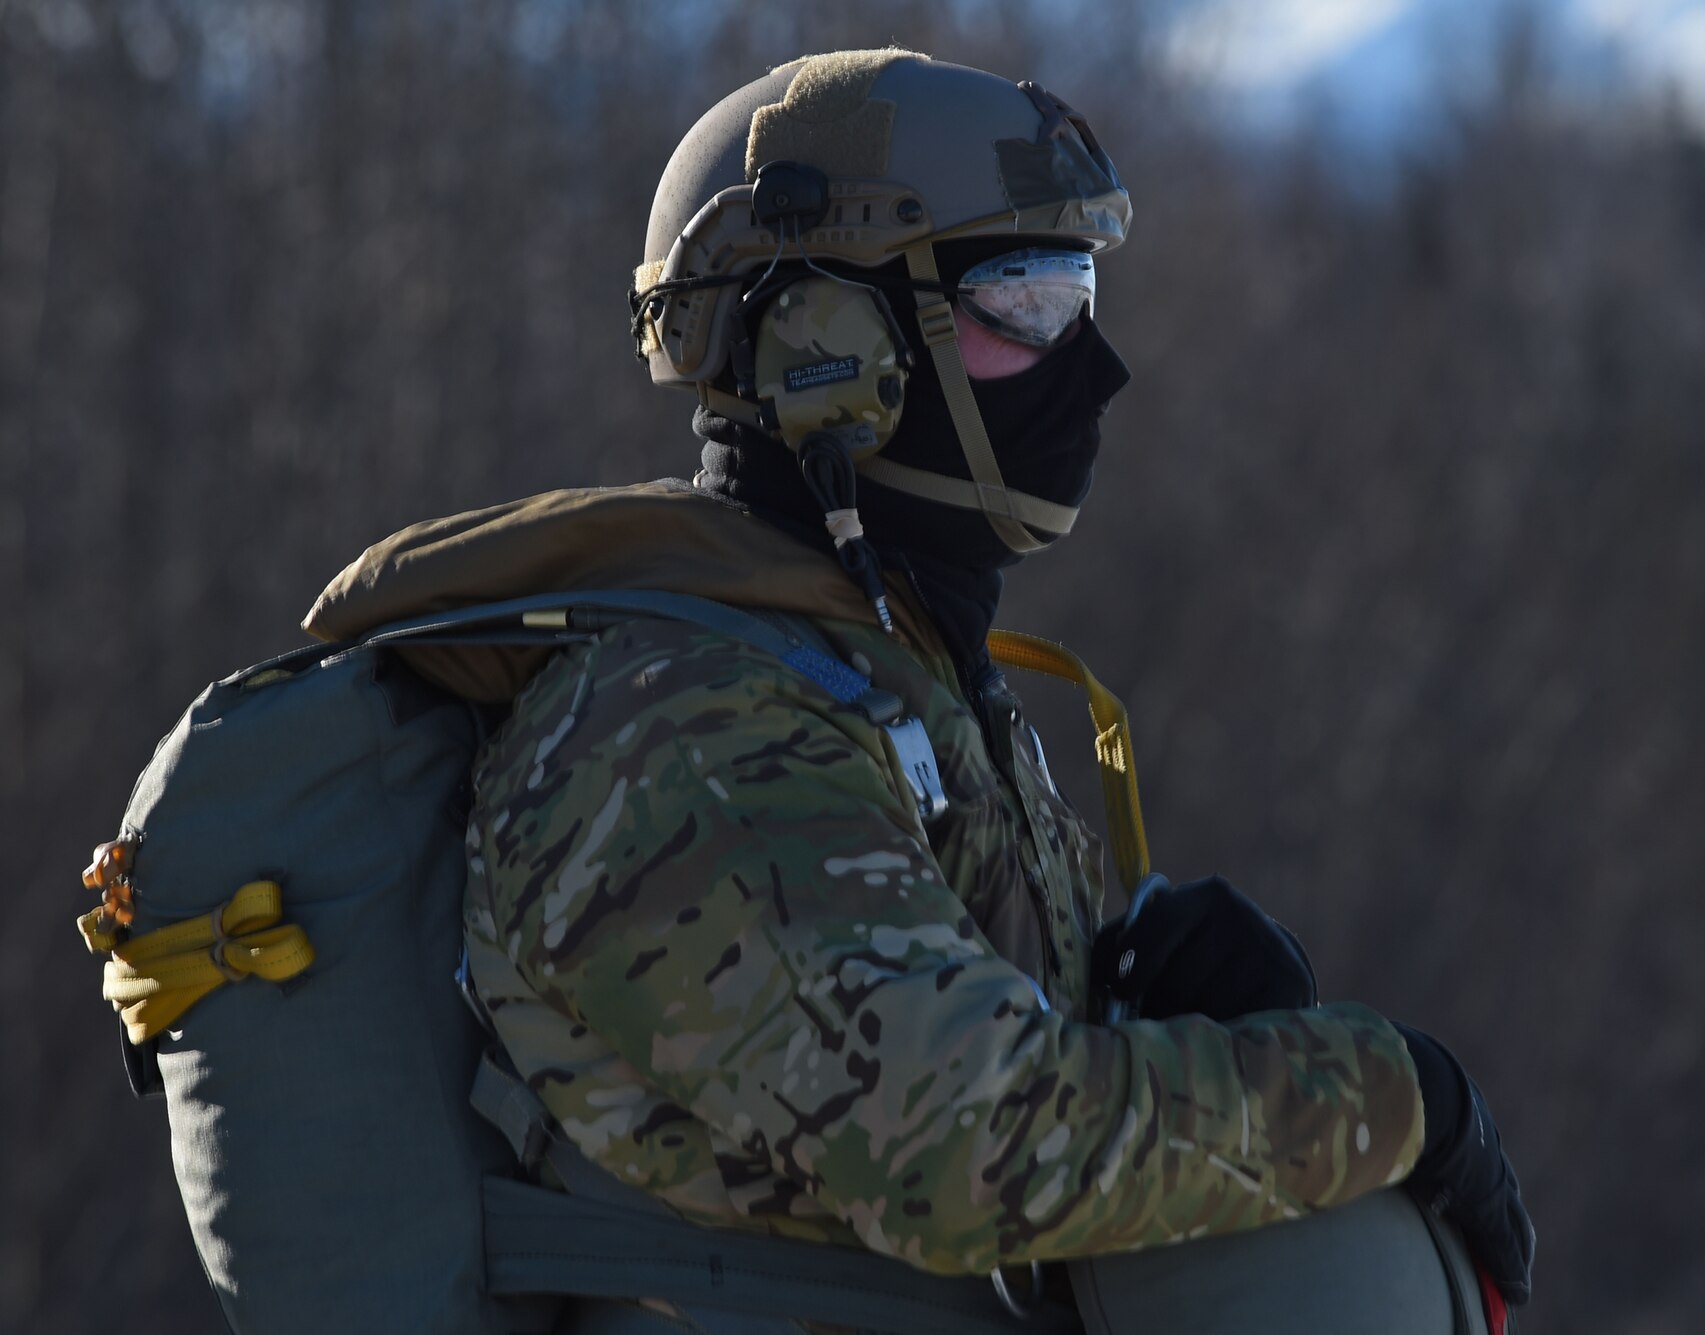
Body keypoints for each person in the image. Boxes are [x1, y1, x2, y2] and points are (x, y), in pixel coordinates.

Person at [317, 48, 1532, 1332]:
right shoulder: (690, 733)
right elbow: (969, 1151)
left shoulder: (878, 678)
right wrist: (1394, 1098)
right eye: (1030, 301)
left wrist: (1140, 1010)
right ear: (828, 346)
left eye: (1078, 294)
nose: (1096, 371)